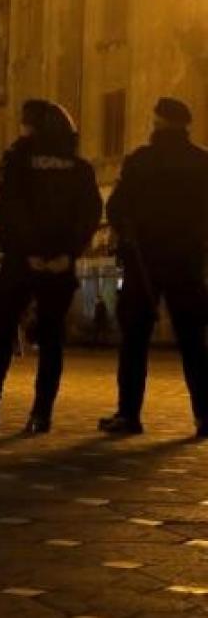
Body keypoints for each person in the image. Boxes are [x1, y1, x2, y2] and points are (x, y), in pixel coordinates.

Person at [0, 100, 102, 433]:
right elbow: (90, 214)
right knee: (52, 340)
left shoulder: (17, 159)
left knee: (3, 333)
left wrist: (27, 251)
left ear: (32, 126)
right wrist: (68, 253)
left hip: (22, 261)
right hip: (60, 264)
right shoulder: (79, 167)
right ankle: (41, 414)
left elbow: (8, 208)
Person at [99, 97, 208, 437]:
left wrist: (131, 233)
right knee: (194, 343)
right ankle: (205, 416)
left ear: (157, 122)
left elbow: (115, 208)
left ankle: (128, 415)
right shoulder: (202, 161)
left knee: (134, 341)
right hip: (187, 262)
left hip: (143, 262)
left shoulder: (140, 161)